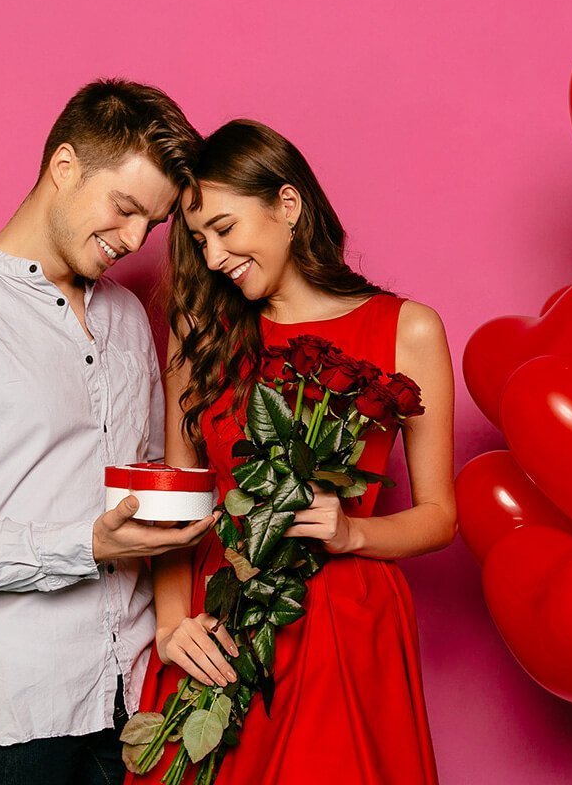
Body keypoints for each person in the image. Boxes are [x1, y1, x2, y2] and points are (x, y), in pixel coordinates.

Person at [0, 79, 213, 785]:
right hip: (15, 711)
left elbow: (142, 469)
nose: (131, 240)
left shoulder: (124, 316)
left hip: (134, 692)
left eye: (150, 225)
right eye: (123, 209)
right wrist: (83, 544)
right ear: (64, 168)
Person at [128, 119, 456, 784]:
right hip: (220, 625)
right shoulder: (200, 328)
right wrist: (171, 625)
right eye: (198, 239)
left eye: (225, 229)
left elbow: (440, 515)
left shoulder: (407, 328)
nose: (213, 257)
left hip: (344, 627)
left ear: (287, 204)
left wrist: (354, 530)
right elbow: (177, 491)